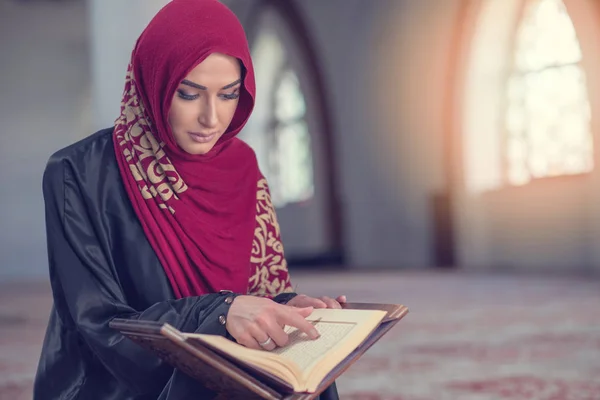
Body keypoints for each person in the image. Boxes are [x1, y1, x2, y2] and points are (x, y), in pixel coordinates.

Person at [33, 0, 343, 398]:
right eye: (189, 93)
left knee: (312, 372)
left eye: (229, 95)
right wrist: (220, 313)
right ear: (155, 81)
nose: (211, 118)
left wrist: (291, 306)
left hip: (232, 363)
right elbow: (98, 322)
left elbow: (258, 295)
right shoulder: (75, 173)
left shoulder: (243, 168)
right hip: (116, 381)